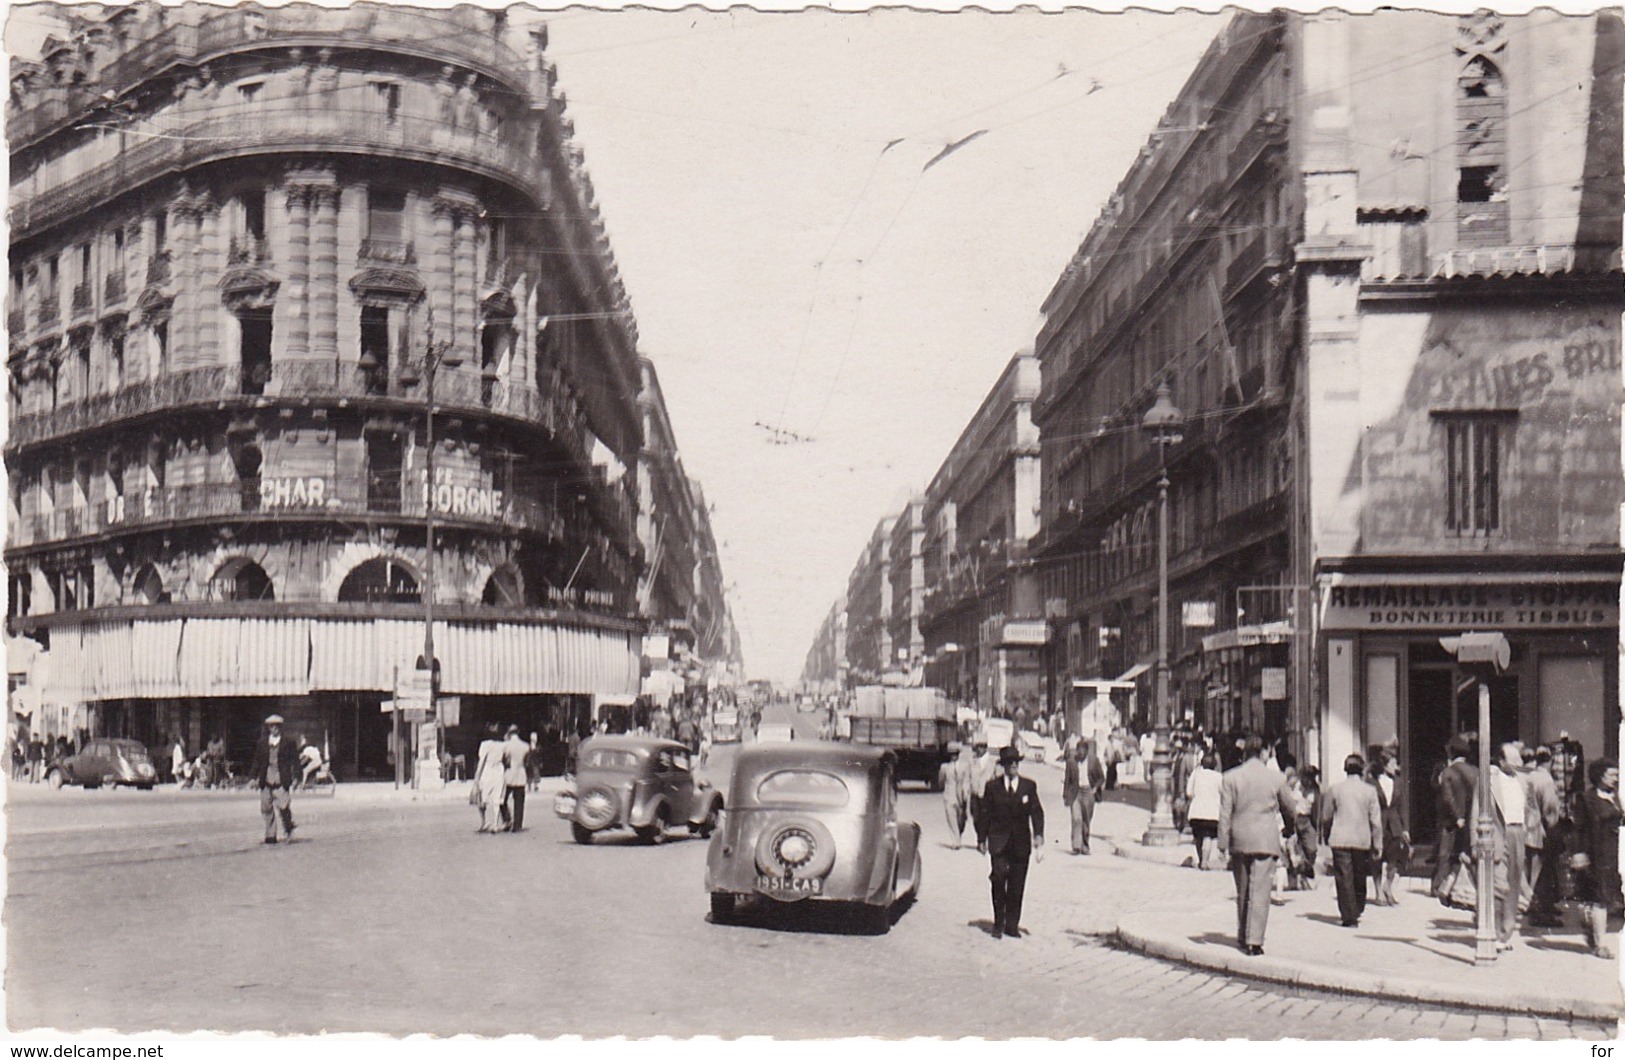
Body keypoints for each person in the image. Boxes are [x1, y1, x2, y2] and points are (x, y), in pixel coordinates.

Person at [1217, 733, 1298, 956]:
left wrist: (1222, 844)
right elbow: (1289, 808)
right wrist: (1290, 829)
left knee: (1242, 890)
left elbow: (1225, 814)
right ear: (1264, 752)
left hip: (1239, 839)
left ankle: (1243, 935)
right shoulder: (1276, 778)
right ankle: (1254, 941)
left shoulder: (1230, 777)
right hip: (1265, 839)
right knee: (1260, 890)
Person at [975, 744, 1045, 939]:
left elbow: (1037, 812)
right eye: (1009, 763)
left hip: (1021, 844)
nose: (1013, 765)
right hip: (998, 842)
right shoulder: (992, 787)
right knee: (998, 880)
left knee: (1016, 884)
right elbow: (984, 814)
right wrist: (981, 839)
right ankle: (998, 923)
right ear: (1004, 766)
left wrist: (1039, 834)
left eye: (1016, 762)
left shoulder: (1028, 786)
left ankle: (1012, 925)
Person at [1320, 754, 1382, 928]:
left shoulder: (1335, 789)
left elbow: (1326, 817)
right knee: (1359, 875)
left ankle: (1349, 915)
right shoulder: (1369, 791)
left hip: (1340, 838)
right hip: (1361, 839)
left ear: (1345, 769)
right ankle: (1357, 908)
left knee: (1344, 876)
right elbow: (1376, 821)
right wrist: (1378, 844)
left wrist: (1326, 836)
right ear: (1362, 770)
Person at [1570, 758, 1622, 959]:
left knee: (1603, 896)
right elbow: (1578, 828)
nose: (1616, 779)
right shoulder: (1586, 798)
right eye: (1612, 775)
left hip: (1613, 852)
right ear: (1600, 776)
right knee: (1599, 897)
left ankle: (1591, 930)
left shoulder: (1613, 796)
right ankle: (1600, 944)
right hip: (1595, 853)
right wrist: (1578, 852)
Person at [1480, 743, 1529, 951]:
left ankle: (1506, 932)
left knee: (1514, 884)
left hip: (1518, 834)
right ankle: (1495, 931)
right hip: (1500, 834)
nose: (1519, 763)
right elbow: (1477, 808)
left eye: (1519, 758)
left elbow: (1531, 808)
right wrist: (1477, 841)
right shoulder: (1489, 780)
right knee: (1499, 885)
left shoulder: (1523, 781)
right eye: (1513, 759)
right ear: (1501, 761)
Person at [1522, 746, 1565, 926]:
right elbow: (1550, 809)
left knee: (1534, 869)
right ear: (1550, 761)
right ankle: (1541, 909)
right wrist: (1555, 827)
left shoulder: (1529, 776)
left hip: (1530, 829)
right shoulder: (1545, 780)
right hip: (1543, 830)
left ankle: (1537, 904)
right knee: (1543, 871)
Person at [1432, 735, 1478, 898]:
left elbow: (1447, 797)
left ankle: (1439, 886)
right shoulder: (1475, 771)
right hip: (1470, 819)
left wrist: (1457, 816)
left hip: (1451, 821)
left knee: (1445, 854)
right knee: (1466, 852)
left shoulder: (1448, 772)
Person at [248, 714, 299, 845]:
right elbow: (257, 761)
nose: (274, 728)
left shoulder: (289, 743)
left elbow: (295, 761)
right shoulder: (262, 743)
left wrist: (296, 777)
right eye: (272, 726)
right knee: (266, 807)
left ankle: (288, 827)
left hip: (281, 779)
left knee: (283, 806)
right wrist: (253, 777)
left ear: (280, 727)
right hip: (266, 779)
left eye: (277, 726)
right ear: (268, 728)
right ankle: (270, 835)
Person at [1372, 753, 1409, 905]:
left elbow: (1403, 806)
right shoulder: (1372, 782)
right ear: (1384, 765)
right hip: (1378, 824)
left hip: (1394, 825)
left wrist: (1405, 828)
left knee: (1394, 858)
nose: (1396, 767)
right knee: (1377, 859)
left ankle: (1388, 887)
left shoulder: (1398, 782)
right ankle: (1378, 891)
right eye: (1392, 763)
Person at [1062, 735, 1106, 855]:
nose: (1080, 754)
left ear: (1087, 751)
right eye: (1078, 751)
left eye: (1083, 751)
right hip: (1075, 792)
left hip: (1088, 792)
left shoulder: (1093, 761)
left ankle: (1085, 845)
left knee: (1086, 820)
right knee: (1076, 819)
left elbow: (1101, 778)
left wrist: (1095, 788)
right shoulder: (1071, 762)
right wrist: (1065, 795)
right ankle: (1076, 846)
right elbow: (1067, 780)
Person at [1185, 751, 1223, 870]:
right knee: (1208, 836)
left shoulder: (1196, 774)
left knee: (1198, 836)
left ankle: (1201, 858)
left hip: (1196, 810)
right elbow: (1223, 793)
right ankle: (1205, 862)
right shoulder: (1218, 777)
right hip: (1212, 812)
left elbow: (1189, 792)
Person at [939, 742, 974, 849]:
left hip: (960, 796)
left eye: (955, 754)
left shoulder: (965, 765)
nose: (953, 756)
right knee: (951, 818)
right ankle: (956, 841)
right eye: (951, 754)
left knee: (961, 819)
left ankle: (958, 834)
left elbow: (967, 780)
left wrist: (966, 792)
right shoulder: (944, 767)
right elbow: (940, 781)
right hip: (949, 795)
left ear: (958, 754)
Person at [472, 723, 507, 833]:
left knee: (482, 797)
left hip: (488, 770)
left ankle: (484, 822)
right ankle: (495, 824)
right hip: (499, 770)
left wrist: (477, 777)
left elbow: (481, 761)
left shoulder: (485, 744)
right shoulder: (502, 745)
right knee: (496, 798)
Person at [501, 725, 529, 832]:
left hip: (509, 775)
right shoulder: (525, 745)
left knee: (502, 798)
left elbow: (504, 760)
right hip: (521, 774)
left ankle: (507, 818)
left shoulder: (506, 746)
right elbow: (527, 762)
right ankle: (517, 825)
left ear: (508, 733)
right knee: (519, 801)